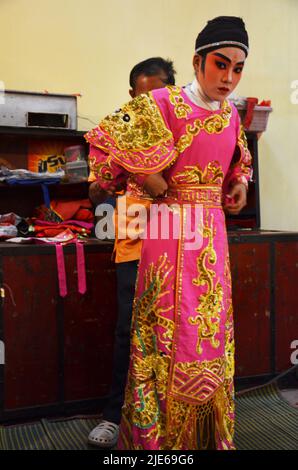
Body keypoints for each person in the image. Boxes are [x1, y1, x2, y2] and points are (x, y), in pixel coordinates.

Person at [86, 16, 252, 450]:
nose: (229, 77)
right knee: (163, 329)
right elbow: (104, 140)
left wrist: (237, 187)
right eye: (220, 64)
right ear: (198, 62)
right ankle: (155, 444)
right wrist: (149, 172)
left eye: (238, 68)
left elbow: (239, 164)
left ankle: (202, 437)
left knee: (207, 331)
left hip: (210, 234)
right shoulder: (161, 102)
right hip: (164, 227)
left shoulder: (231, 114)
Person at [86, 57, 176, 447]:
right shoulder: (118, 130)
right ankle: (113, 417)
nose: (150, 104)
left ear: (172, 91)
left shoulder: (184, 129)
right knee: (129, 331)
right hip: (135, 239)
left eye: (158, 94)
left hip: (180, 239)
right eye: (143, 96)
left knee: (176, 332)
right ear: (131, 95)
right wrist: (120, 168)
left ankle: (174, 415)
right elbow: (94, 191)